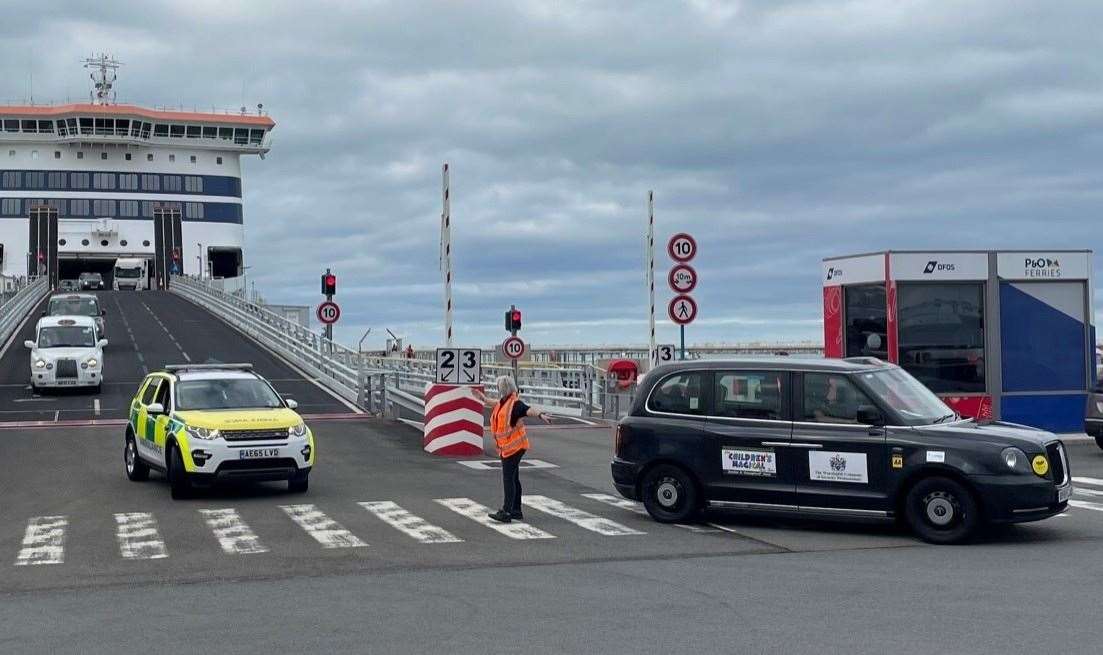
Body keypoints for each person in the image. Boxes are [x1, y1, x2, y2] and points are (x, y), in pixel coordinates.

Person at [473, 376, 551, 523]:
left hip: (514, 448)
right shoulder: (504, 403)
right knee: (514, 478)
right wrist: (482, 398)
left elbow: (528, 410)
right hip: (511, 448)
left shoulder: (515, 404)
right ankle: (516, 510)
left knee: (508, 479)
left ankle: (507, 511)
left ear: (502, 389)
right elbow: (494, 403)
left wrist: (540, 414)